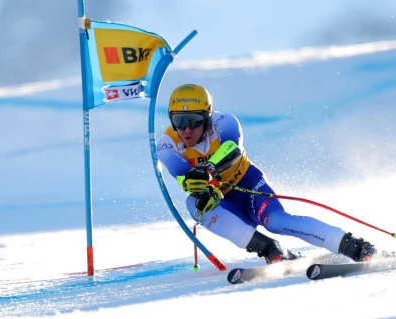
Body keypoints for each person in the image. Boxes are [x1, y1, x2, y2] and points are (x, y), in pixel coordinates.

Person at [156, 84, 377, 264]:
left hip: (248, 185)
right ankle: (268, 248)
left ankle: (352, 245)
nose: (186, 129)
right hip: (222, 200)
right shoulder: (167, 143)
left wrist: (209, 169)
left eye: (194, 121)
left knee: (276, 221)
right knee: (193, 205)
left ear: (207, 116)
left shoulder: (224, 122)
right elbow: (181, 173)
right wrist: (202, 187)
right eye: (179, 121)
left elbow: (232, 148)